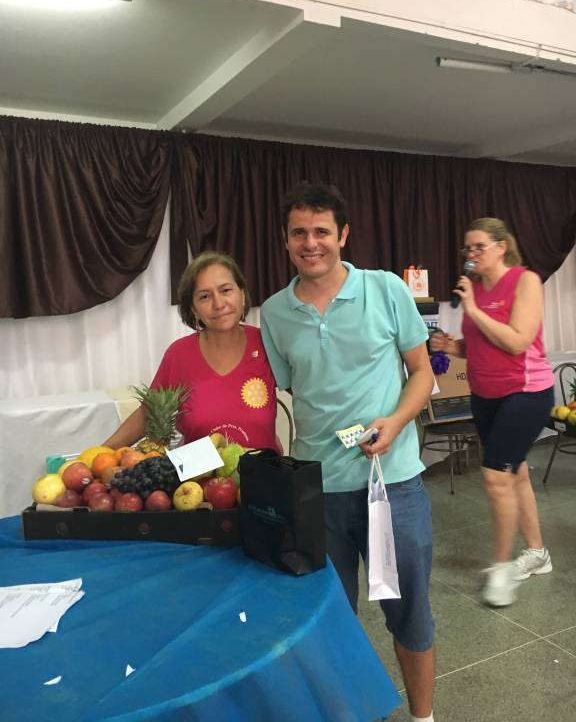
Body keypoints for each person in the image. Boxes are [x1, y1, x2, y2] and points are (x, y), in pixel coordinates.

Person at [260, 183, 436, 722]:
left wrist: (395, 421)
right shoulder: (275, 313)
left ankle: (424, 717)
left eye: (321, 231)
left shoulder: (385, 289)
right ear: (286, 240)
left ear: (343, 235)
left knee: (410, 613)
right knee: (330, 620)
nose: (310, 242)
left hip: (393, 483)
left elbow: (422, 373)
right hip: (317, 492)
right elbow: (294, 389)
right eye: (298, 233)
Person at [430, 218, 554, 608]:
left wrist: (471, 307)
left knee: (495, 475)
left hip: (526, 392)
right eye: (467, 248)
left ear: (501, 247)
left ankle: (501, 571)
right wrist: (452, 347)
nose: (471, 254)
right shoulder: (477, 288)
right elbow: (480, 345)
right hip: (485, 395)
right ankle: (537, 554)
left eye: (479, 246)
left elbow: (517, 342)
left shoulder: (524, 281)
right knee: (515, 472)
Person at [103, 251, 278, 451]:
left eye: (226, 290)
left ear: (242, 295)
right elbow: (147, 414)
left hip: (265, 469)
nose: (218, 304)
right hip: (197, 471)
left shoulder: (268, 343)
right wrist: (98, 453)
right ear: (194, 309)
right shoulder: (179, 354)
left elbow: (304, 392)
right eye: (205, 296)